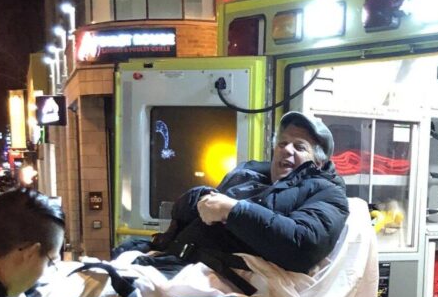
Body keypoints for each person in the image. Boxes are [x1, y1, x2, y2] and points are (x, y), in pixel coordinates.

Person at [140, 111, 348, 285]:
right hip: (176, 257)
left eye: (299, 147)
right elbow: (188, 212)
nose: (286, 150)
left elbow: (303, 246)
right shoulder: (250, 174)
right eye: (282, 143)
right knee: (118, 263)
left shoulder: (327, 193)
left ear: (319, 162)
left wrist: (233, 211)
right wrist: (202, 197)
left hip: (217, 276)